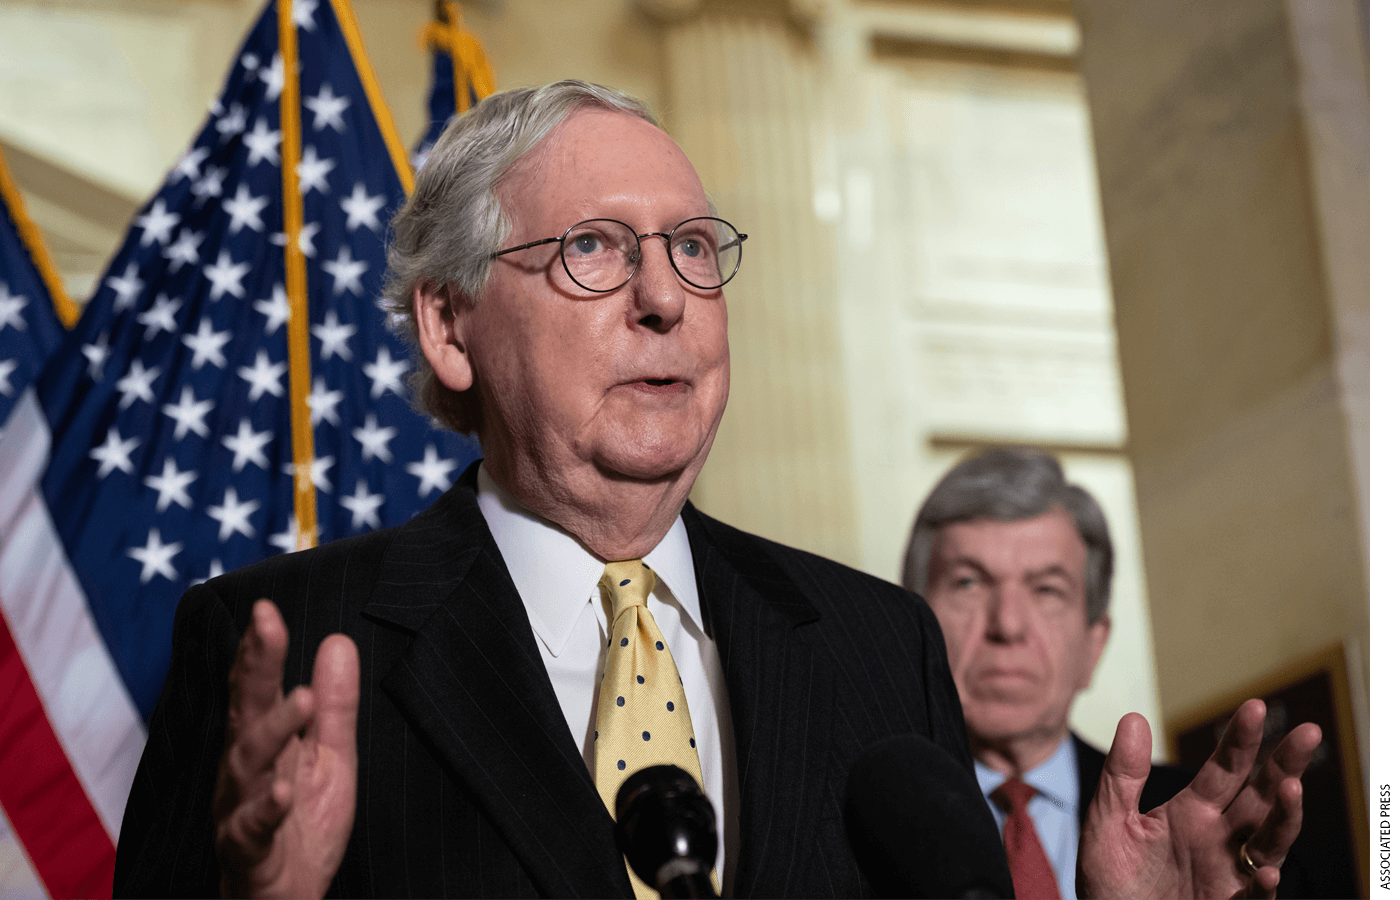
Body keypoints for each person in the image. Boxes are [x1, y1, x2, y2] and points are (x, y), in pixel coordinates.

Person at [114, 82, 1319, 899]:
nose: (664, 297)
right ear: (449, 324)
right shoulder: (284, 651)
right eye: (593, 247)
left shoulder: (873, 646)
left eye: (693, 247)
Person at [902, 447, 1192, 899]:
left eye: (1046, 590)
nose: (1007, 625)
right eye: (968, 582)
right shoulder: (841, 828)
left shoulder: (1191, 824)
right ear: (911, 628)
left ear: (1094, 645)